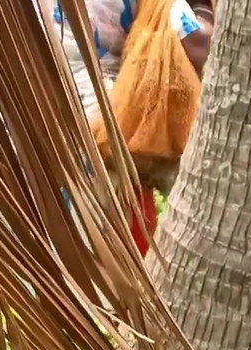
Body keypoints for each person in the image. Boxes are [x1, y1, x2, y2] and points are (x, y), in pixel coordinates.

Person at [46, 0, 215, 254]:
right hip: (103, 140)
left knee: (33, 264)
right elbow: (200, 44)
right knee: (119, 275)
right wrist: (203, 7)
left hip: (32, 124)